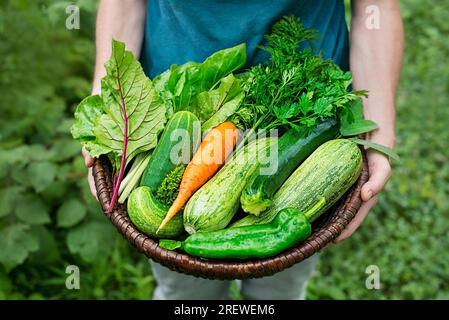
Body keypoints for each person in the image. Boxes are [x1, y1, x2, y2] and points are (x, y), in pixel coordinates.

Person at [82, 0, 403, 300]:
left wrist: (379, 128)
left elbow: (375, 6)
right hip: (169, 109)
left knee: (279, 292)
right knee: (185, 294)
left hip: (306, 119)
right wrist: (109, 95)